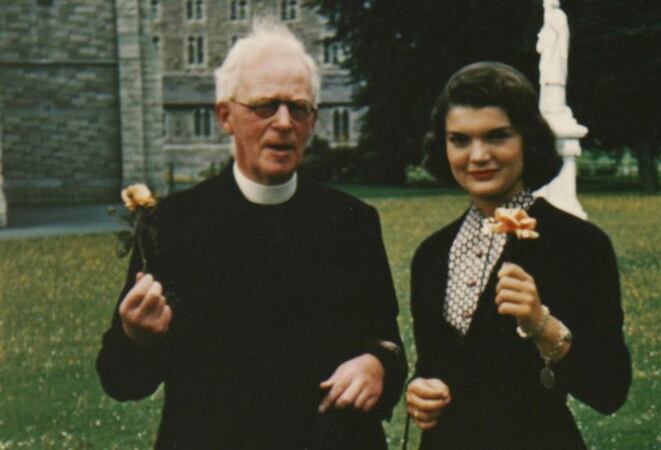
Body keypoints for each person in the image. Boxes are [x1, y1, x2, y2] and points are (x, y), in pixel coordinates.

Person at [96, 20, 406, 450]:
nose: (283, 123)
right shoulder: (173, 226)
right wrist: (137, 339)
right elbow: (120, 379)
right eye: (265, 106)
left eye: (298, 108)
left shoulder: (351, 222)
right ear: (225, 115)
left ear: (313, 121)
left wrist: (378, 366)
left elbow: (387, 343)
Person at [405, 62, 631, 449]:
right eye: (460, 139)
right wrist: (421, 392)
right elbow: (434, 363)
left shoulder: (579, 245)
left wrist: (542, 325)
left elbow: (609, 389)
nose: (478, 156)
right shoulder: (432, 255)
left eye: (497, 136)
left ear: (527, 139)